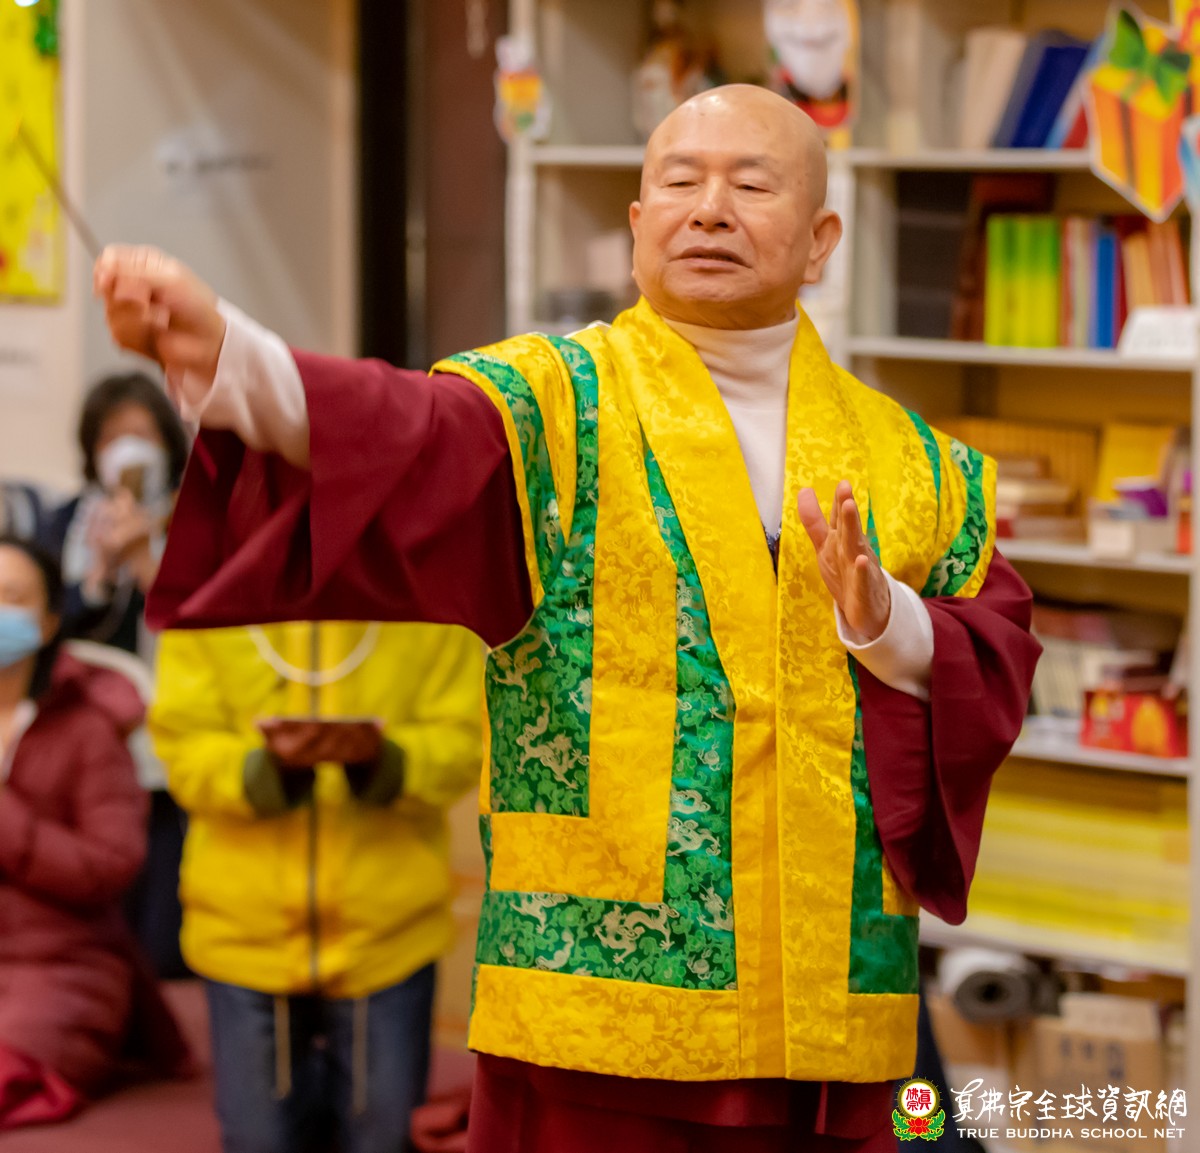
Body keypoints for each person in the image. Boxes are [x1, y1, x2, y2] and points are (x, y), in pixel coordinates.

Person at [95, 85, 1040, 1152]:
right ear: (637, 225)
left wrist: (888, 625)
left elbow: (996, 657)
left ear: (821, 239)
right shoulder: (552, 404)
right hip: (593, 999)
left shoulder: (918, 467)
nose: (710, 208)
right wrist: (234, 360)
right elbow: (406, 433)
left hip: (828, 1011)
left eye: (751, 183)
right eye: (680, 181)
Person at [149, 620, 483, 1153]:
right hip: (244, 929)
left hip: (388, 931)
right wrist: (265, 769)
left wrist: (384, 760)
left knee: (383, 1141)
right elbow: (182, 747)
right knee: (259, 1142)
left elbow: (463, 740)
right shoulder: (209, 603)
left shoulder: (427, 605)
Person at [0, 536, 189, 1130]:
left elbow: (111, 865)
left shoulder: (86, 729)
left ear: (49, 621)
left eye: (12, 597)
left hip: (63, 965)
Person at [40, 370, 193, 979]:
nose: (128, 449)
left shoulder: (196, 519)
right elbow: (48, 624)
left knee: (159, 914)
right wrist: (99, 573)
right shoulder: (64, 524)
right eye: (112, 437)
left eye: (142, 434)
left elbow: (201, 623)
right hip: (87, 739)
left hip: (167, 742)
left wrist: (141, 558)